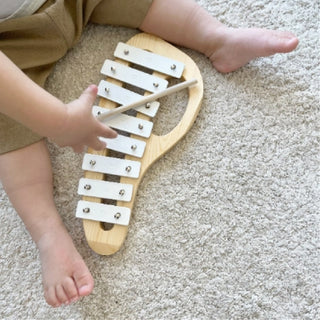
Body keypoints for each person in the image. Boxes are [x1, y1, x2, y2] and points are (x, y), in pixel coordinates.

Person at [0, 0, 298, 307]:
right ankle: (48, 233)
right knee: (8, 126)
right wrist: (59, 121)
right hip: (10, 46)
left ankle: (216, 38)